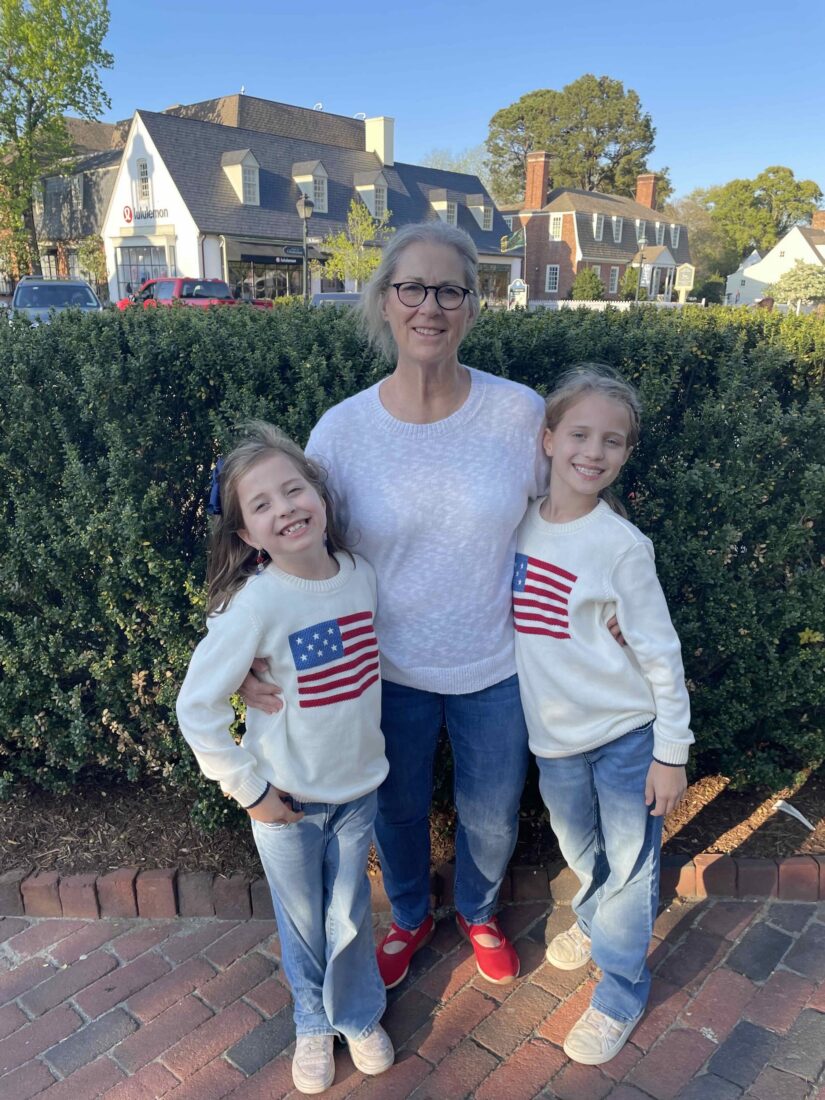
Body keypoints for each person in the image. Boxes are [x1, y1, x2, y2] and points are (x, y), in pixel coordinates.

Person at [241, 221, 547, 988]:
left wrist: (604, 604)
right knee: (399, 813)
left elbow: (562, 528)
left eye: (450, 290)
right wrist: (245, 648)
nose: (429, 307)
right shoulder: (343, 432)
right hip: (382, 672)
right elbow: (288, 545)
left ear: (473, 306)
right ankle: (410, 914)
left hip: (496, 664)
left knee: (489, 811)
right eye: (412, 288)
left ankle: (476, 909)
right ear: (385, 301)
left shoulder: (518, 414)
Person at [176, 422, 394, 1095]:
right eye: (261, 505)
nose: (285, 508)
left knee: (349, 911)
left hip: (358, 789)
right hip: (286, 802)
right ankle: (309, 1019)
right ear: (247, 536)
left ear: (320, 496)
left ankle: (356, 1015)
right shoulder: (258, 601)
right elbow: (197, 708)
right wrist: (250, 791)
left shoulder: (359, 575)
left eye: (293, 489)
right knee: (301, 920)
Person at [513, 365, 693, 1065]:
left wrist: (669, 752)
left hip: (624, 735)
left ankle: (621, 985)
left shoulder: (621, 547)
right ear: (549, 438)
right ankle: (591, 921)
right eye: (580, 434)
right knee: (578, 850)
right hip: (552, 738)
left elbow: (658, 651)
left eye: (612, 441)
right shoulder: (520, 521)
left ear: (623, 454)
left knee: (628, 864)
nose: (594, 452)